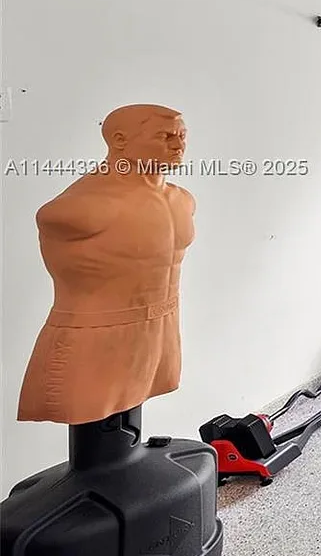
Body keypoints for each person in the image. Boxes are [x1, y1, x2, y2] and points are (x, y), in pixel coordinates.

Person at [17, 105, 195, 424]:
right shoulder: (79, 210)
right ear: (120, 140)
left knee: (131, 419)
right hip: (95, 337)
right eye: (164, 136)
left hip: (163, 327)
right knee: (90, 419)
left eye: (182, 135)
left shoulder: (182, 200)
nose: (178, 145)